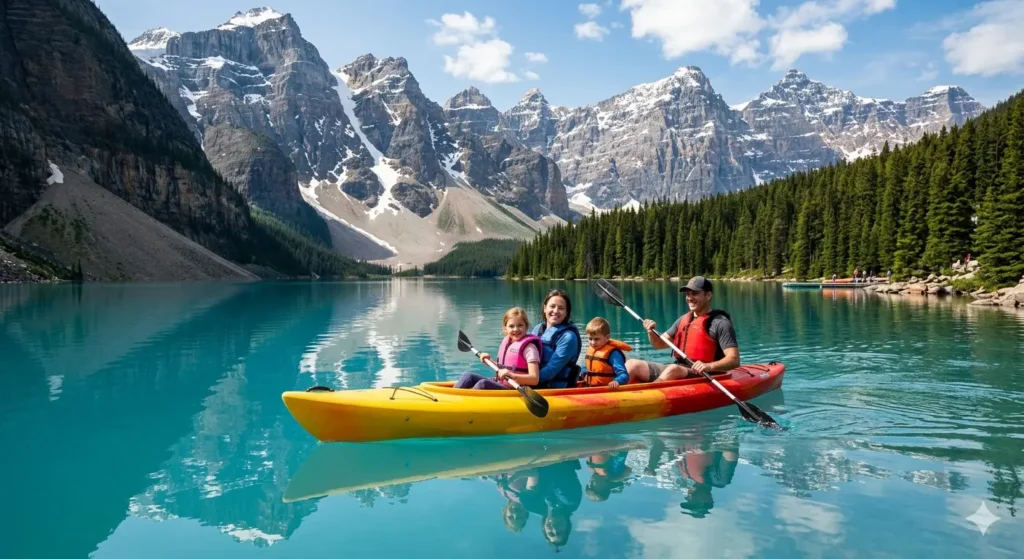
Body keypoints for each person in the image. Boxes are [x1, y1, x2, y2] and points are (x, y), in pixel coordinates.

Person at [625, 276, 740, 383]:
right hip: (680, 368)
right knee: (632, 364)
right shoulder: (684, 320)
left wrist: (708, 366)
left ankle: (647, 395)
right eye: (688, 294)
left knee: (674, 369)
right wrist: (650, 332)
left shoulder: (720, 323)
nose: (689, 298)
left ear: (708, 295)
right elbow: (659, 344)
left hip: (705, 373)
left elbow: (734, 360)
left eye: (695, 293)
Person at [454, 307, 542, 390]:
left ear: (526, 326)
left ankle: (464, 404)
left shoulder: (530, 348)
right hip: (500, 382)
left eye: (520, 325)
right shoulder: (508, 342)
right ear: (505, 329)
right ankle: (451, 399)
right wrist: (490, 362)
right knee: (468, 376)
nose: (516, 329)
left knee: (483, 384)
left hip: (514, 388)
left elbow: (534, 379)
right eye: (511, 326)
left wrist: (512, 375)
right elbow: (503, 368)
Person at [530, 289, 583, 388]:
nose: (556, 311)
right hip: (532, 382)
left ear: (566, 312)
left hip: (551, 388)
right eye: (552, 306)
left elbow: (551, 371)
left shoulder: (568, 337)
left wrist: (524, 379)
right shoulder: (538, 329)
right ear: (545, 308)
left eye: (561, 308)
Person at [582, 317, 631, 388]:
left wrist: (616, 381)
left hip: (606, 389)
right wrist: (583, 372)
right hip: (590, 387)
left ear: (607, 337)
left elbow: (623, 375)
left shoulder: (613, 354)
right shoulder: (591, 350)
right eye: (590, 338)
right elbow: (585, 366)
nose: (592, 342)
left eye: (596, 339)